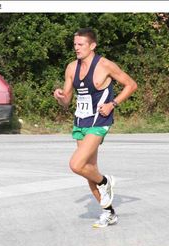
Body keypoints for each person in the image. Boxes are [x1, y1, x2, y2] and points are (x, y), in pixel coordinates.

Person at [53, 28, 137, 228]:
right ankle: (109, 213)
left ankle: (105, 181)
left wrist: (112, 104)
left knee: (76, 164)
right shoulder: (71, 68)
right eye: (75, 44)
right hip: (80, 122)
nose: (76, 48)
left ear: (92, 45)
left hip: (99, 121)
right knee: (88, 169)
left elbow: (131, 85)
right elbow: (66, 102)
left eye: (80, 44)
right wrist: (60, 98)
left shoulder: (105, 65)